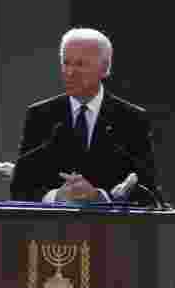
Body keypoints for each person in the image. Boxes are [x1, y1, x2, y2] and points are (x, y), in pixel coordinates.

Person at [10, 27, 161, 205]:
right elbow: (20, 187)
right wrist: (56, 197)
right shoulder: (40, 115)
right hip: (50, 229)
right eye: (66, 63)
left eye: (80, 64)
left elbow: (147, 191)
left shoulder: (131, 119)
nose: (70, 72)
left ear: (104, 68)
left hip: (111, 229)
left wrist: (100, 197)